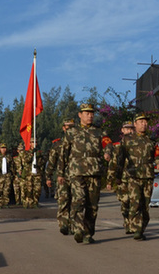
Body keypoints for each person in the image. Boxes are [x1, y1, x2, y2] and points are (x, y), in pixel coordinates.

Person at [56, 103, 112, 244]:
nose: (90, 115)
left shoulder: (100, 132)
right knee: (78, 200)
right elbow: (64, 154)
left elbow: (108, 144)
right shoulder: (71, 133)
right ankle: (78, 229)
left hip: (94, 172)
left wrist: (107, 152)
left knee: (92, 205)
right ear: (80, 115)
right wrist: (61, 173)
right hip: (76, 172)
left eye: (92, 113)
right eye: (87, 113)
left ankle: (88, 233)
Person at [107, 113, 159, 240]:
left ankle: (141, 227)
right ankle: (136, 229)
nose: (144, 124)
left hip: (148, 176)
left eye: (145, 122)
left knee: (145, 204)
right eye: (141, 121)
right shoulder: (127, 140)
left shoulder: (151, 141)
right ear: (135, 124)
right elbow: (120, 159)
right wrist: (117, 177)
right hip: (133, 176)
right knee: (135, 202)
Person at [46, 118, 75, 235]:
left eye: (72, 126)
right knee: (63, 201)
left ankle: (74, 226)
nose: (69, 129)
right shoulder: (58, 145)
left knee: (75, 202)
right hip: (62, 177)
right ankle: (64, 224)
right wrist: (48, 176)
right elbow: (52, 161)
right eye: (67, 126)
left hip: (77, 176)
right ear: (63, 128)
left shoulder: (79, 143)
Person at [108, 120, 135, 234]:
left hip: (135, 178)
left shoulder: (138, 144)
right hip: (122, 179)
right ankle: (127, 221)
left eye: (131, 128)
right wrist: (110, 180)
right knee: (125, 202)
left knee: (135, 202)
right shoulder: (118, 146)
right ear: (122, 130)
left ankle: (134, 225)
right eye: (127, 128)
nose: (129, 130)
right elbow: (113, 164)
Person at [22, 138, 42, 208]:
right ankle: (30, 203)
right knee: (29, 189)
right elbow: (26, 160)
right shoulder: (26, 152)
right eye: (33, 142)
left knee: (37, 189)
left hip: (37, 173)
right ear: (30, 144)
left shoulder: (39, 152)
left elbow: (43, 160)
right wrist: (32, 154)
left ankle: (35, 203)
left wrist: (38, 164)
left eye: (36, 142)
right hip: (29, 174)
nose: (34, 144)